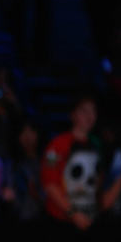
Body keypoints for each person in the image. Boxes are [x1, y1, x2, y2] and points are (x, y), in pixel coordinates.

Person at [40, 95, 101, 230]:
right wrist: (73, 213)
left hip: (89, 216)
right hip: (61, 219)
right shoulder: (56, 145)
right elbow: (49, 184)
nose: (89, 116)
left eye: (93, 111)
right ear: (73, 115)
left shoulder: (96, 144)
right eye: (84, 111)